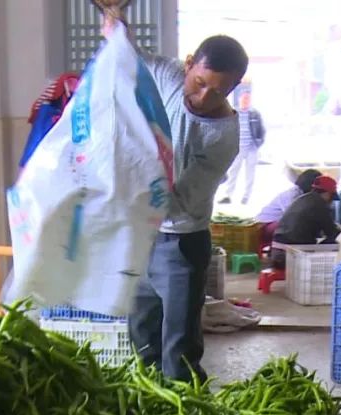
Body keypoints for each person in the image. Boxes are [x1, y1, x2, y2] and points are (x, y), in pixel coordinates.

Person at [103, 7, 248, 383]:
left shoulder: (222, 137)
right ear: (188, 65)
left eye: (219, 91)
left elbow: (179, 200)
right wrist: (115, 22)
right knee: (142, 335)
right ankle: (150, 414)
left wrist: (124, 188)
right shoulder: (167, 76)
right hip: (143, 234)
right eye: (199, 82)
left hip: (180, 243)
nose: (203, 96)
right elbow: (129, 57)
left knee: (178, 348)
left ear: (233, 89)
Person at [269, 175, 341, 270]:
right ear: (327, 193)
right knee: (337, 240)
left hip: (276, 254)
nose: (331, 201)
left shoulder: (301, 199)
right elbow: (332, 232)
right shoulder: (320, 205)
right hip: (291, 258)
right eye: (332, 197)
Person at [217, 89, 265, 205]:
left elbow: (261, 130)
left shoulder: (255, 114)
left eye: (248, 99)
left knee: (250, 173)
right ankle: (228, 195)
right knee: (233, 171)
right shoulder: (233, 113)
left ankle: (246, 196)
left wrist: (258, 142)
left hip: (251, 148)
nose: (245, 101)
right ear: (239, 99)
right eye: (244, 98)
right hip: (237, 148)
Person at [257, 168, 321, 243]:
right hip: (266, 225)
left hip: (279, 224)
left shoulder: (306, 195)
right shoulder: (291, 195)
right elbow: (291, 217)